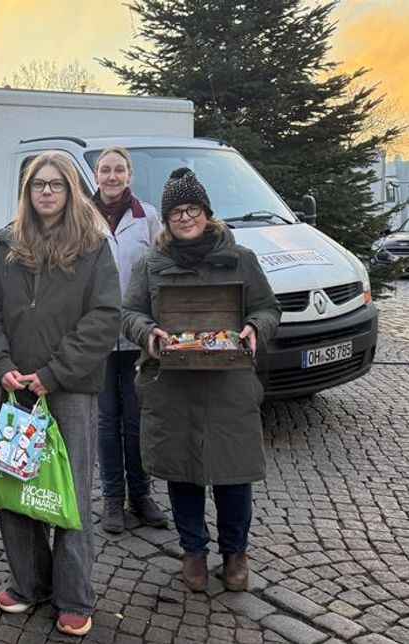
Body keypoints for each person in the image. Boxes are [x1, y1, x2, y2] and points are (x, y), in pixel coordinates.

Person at [0, 151, 122, 637]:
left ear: (71, 189)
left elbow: (102, 319)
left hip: (69, 390)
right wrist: (1, 366)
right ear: (27, 191)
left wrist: (54, 373)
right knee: (16, 487)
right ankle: (28, 582)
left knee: (70, 496)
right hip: (16, 391)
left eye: (56, 184)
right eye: (39, 184)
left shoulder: (93, 246)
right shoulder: (8, 244)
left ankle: (74, 595)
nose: (47, 192)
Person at [121, 167, 280, 593]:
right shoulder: (150, 265)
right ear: (167, 219)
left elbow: (268, 309)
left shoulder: (241, 259)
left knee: (234, 474)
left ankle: (235, 554)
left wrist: (253, 328)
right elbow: (129, 313)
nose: (185, 217)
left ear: (207, 213)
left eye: (192, 208)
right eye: (176, 211)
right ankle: (193, 551)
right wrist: (146, 333)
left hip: (229, 384)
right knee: (182, 472)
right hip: (173, 386)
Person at [91, 146, 168, 533]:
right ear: (96, 175)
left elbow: (160, 267)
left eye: (119, 170)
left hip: (138, 337)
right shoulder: (82, 216)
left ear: (130, 175)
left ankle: (142, 496)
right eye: (105, 169)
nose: (112, 176)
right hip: (98, 339)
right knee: (107, 421)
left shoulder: (147, 216)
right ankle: (111, 500)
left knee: (137, 420)